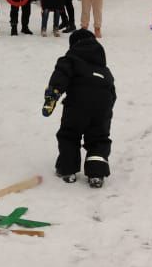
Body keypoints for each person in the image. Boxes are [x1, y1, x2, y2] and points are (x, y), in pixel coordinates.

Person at [41, 28, 116, 188]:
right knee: (98, 138)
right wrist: (105, 112)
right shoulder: (105, 70)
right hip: (102, 106)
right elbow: (112, 93)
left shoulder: (70, 60)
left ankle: (67, 169)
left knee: (70, 134)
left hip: (77, 104)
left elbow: (61, 74)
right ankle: (96, 173)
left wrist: (54, 92)